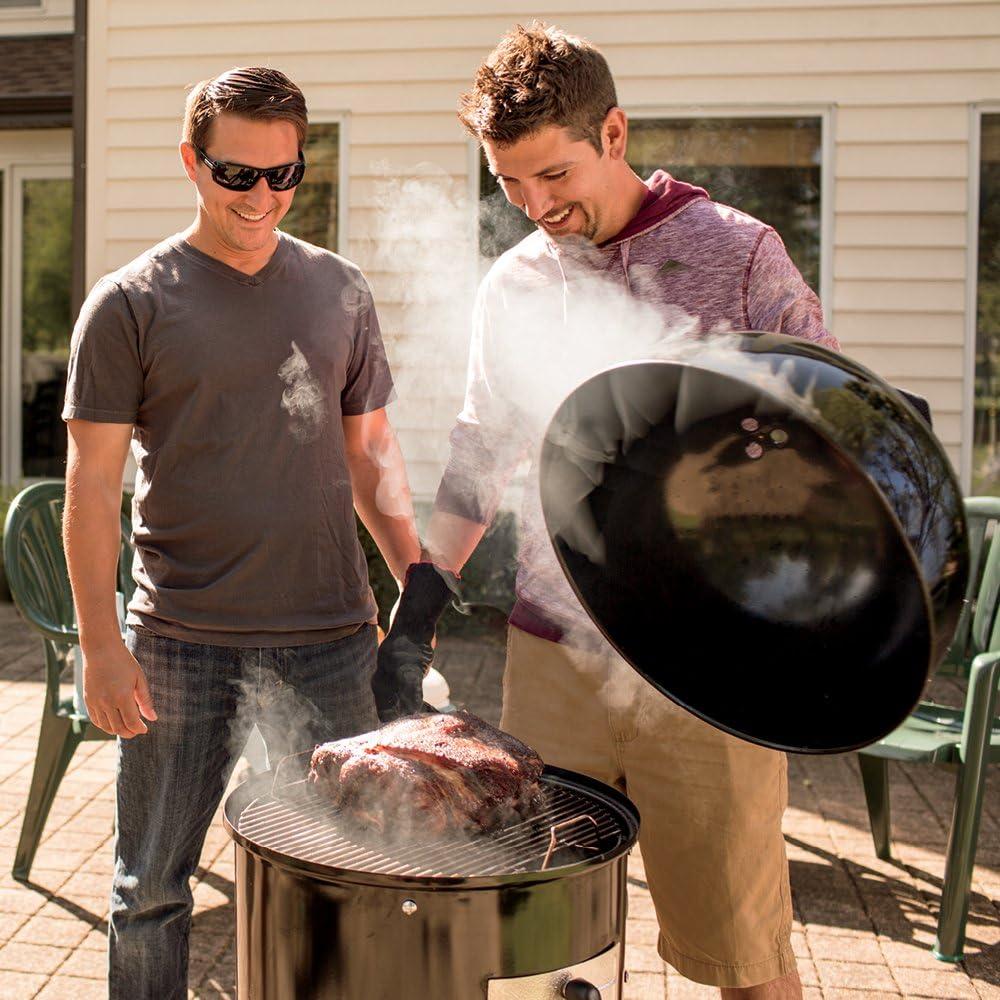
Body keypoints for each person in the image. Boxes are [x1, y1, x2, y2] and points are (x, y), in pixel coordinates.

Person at [373, 24, 840, 999]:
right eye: (509, 184)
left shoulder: (739, 254)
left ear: (614, 132)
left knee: (745, 959)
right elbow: (480, 454)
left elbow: (831, 426)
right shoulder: (516, 286)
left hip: (712, 670)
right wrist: (419, 602)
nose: (536, 207)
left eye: (553, 174)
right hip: (553, 664)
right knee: (535, 952)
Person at [62, 67, 420, 999]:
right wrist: (101, 643)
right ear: (193, 162)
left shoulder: (339, 291)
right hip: (182, 643)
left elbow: (372, 455)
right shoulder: (131, 302)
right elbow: (93, 487)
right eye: (237, 176)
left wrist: (416, 598)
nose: (263, 197)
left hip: (332, 643)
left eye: (284, 174)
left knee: (355, 884)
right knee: (151, 891)